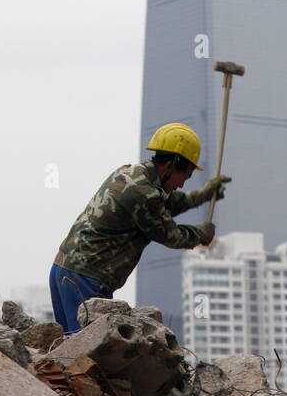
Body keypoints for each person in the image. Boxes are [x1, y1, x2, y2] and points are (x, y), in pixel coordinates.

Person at [49, 123, 229, 333]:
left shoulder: (132, 174)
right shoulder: (143, 193)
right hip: (86, 278)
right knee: (87, 354)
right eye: (185, 176)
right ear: (172, 164)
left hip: (65, 270)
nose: (182, 184)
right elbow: (172, 235)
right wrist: (201, 234)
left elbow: (167, 204)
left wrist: (204, 194)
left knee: (70, 348)